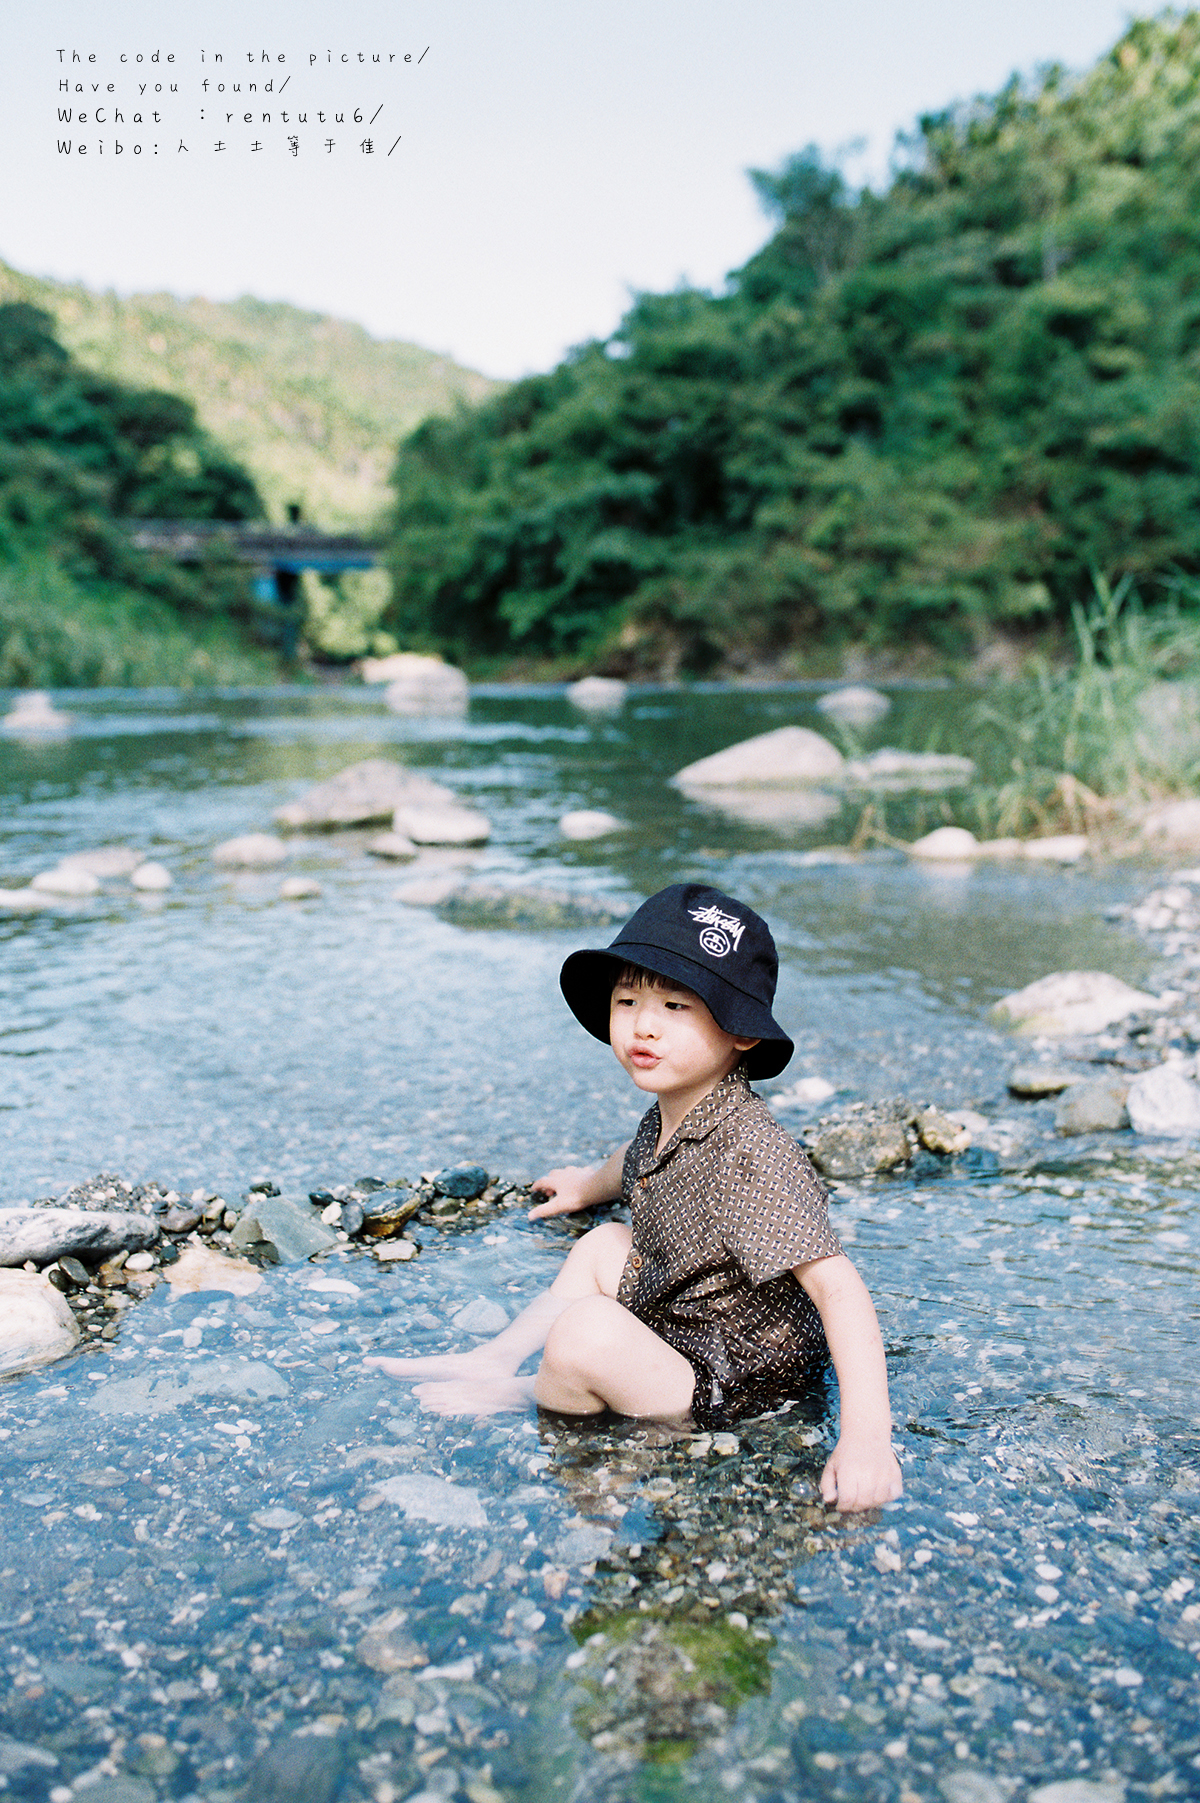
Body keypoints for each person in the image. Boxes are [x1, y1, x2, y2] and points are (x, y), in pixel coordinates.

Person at [367, 883, 903, 1513]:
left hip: (733, 1383)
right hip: (686, 1321)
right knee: (605, 1243)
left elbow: (838, 1289)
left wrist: (867, 1437)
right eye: (628, 1001)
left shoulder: (752, 1155)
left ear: (743, 1035)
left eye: (676, 1006)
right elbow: (637, 1158)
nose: (643, 1025)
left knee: (584, 1331)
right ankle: (493, 1359)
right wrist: (585, 1185)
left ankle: (532, 1396)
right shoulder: (678, 1110)